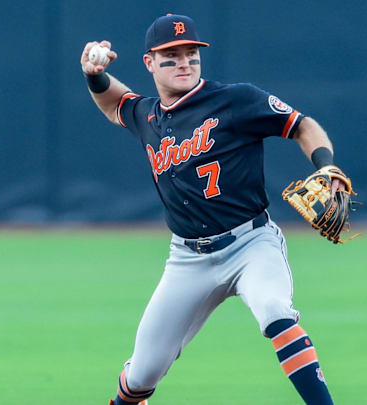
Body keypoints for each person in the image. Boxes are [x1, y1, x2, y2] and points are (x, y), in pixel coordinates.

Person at [81, 14, 347, 405]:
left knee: (275, 310)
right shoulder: (147, 115)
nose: (184, 61)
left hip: (251, 244)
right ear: (149, 63)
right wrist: (93, 75)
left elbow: (302, 125)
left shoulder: (236, 100)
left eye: (191, 53)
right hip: (188, 259)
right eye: (171, 56)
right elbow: (113, 101)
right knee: (141, 374)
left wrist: (325, 165)